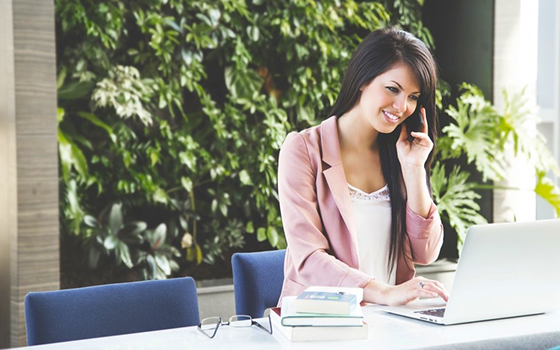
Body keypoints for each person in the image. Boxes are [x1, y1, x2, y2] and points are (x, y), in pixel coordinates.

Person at [277, 27, 449, 306]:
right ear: (362, 80)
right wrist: (384, 293)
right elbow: (308, 258)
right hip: (323, 320)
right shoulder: (304, 150)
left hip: (393, 324)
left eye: (413, 96)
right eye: (393, 89)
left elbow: (426, 252)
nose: (402, 106)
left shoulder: (401, 154)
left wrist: (414, 170)